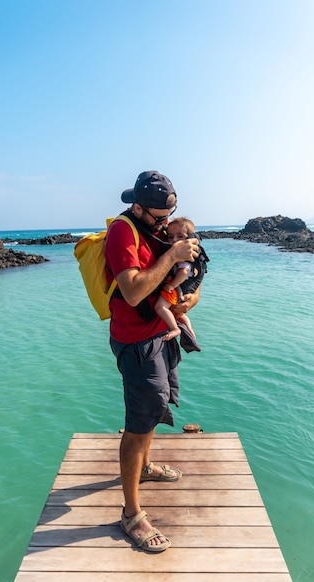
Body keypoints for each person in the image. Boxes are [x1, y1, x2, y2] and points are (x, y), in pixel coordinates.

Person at [104, 170, 200, 552]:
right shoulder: (123, 233)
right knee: (139, 420)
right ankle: (131, 513)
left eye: (170, 216)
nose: (165, 225)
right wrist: (174, 254)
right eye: (159, 218)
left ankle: (145, 466)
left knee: (157, 405)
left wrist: (189, 298)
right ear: (138, 207)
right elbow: (132, 291)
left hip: (159, 333)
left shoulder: (155, 225)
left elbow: (176, 282)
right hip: (135, 341)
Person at [154, 217, 198, 342]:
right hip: (180, 287)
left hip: (177, 287)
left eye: (180, 237)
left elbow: (184, 271)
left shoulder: (184, 255)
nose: (174, 240)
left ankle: (175, 329)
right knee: (179, 314)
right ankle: (189, 329)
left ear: (189, 238)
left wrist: (171, 285)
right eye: (170, 237)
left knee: (160, 307)